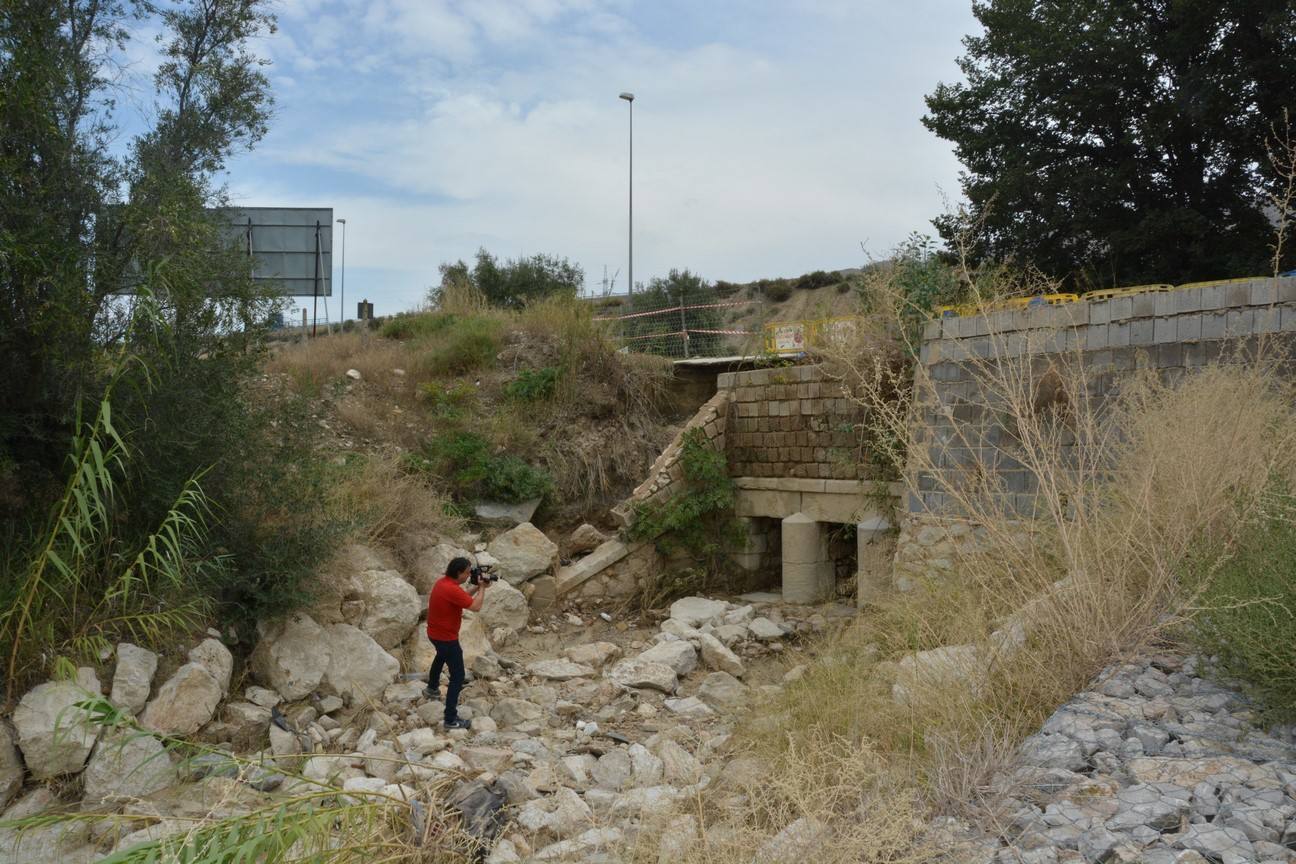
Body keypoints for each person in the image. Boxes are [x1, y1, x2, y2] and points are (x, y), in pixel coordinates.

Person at [425, 556, 489, 729]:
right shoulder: (451, 589)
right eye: (467, 573)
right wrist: (483, 589)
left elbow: (462, 598)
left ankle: (431, 688)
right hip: (446, 638)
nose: (469, 576)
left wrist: (476, 587)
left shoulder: (443, 583)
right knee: (458, 676)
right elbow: (475, 607)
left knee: (440, 656)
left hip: (434, 634)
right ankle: (450, 719)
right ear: (459, 573)